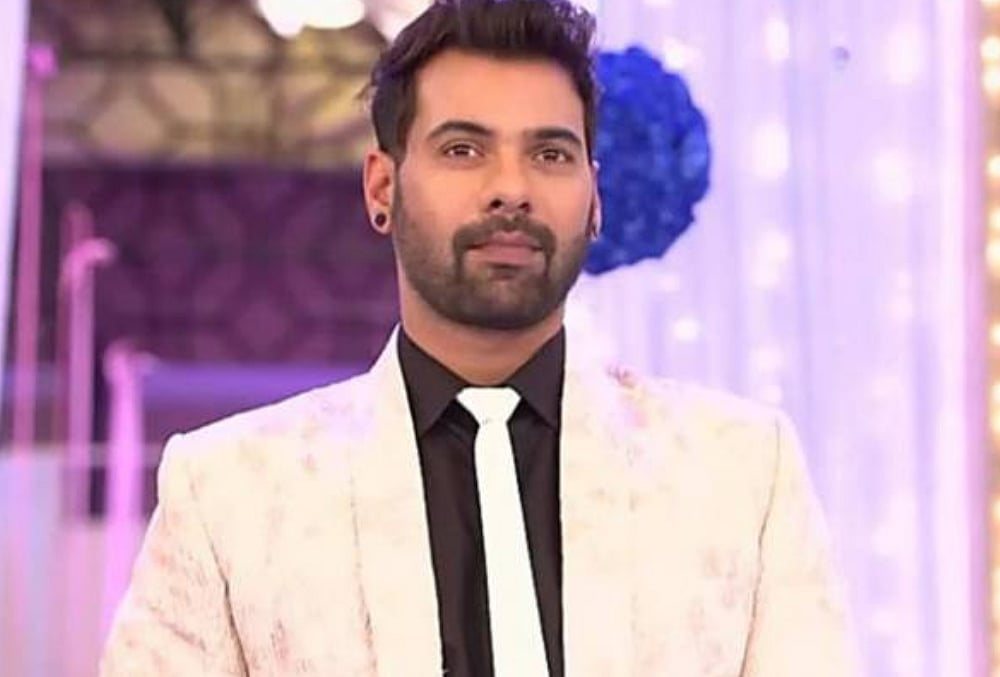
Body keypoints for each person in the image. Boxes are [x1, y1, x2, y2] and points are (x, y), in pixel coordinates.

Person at [100, 1, 860, 675]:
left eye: (550, 154)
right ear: (382, 187)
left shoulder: (739, 471)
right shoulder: (231, 491)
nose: (511, 189)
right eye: (463, 149)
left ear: (595, 198)